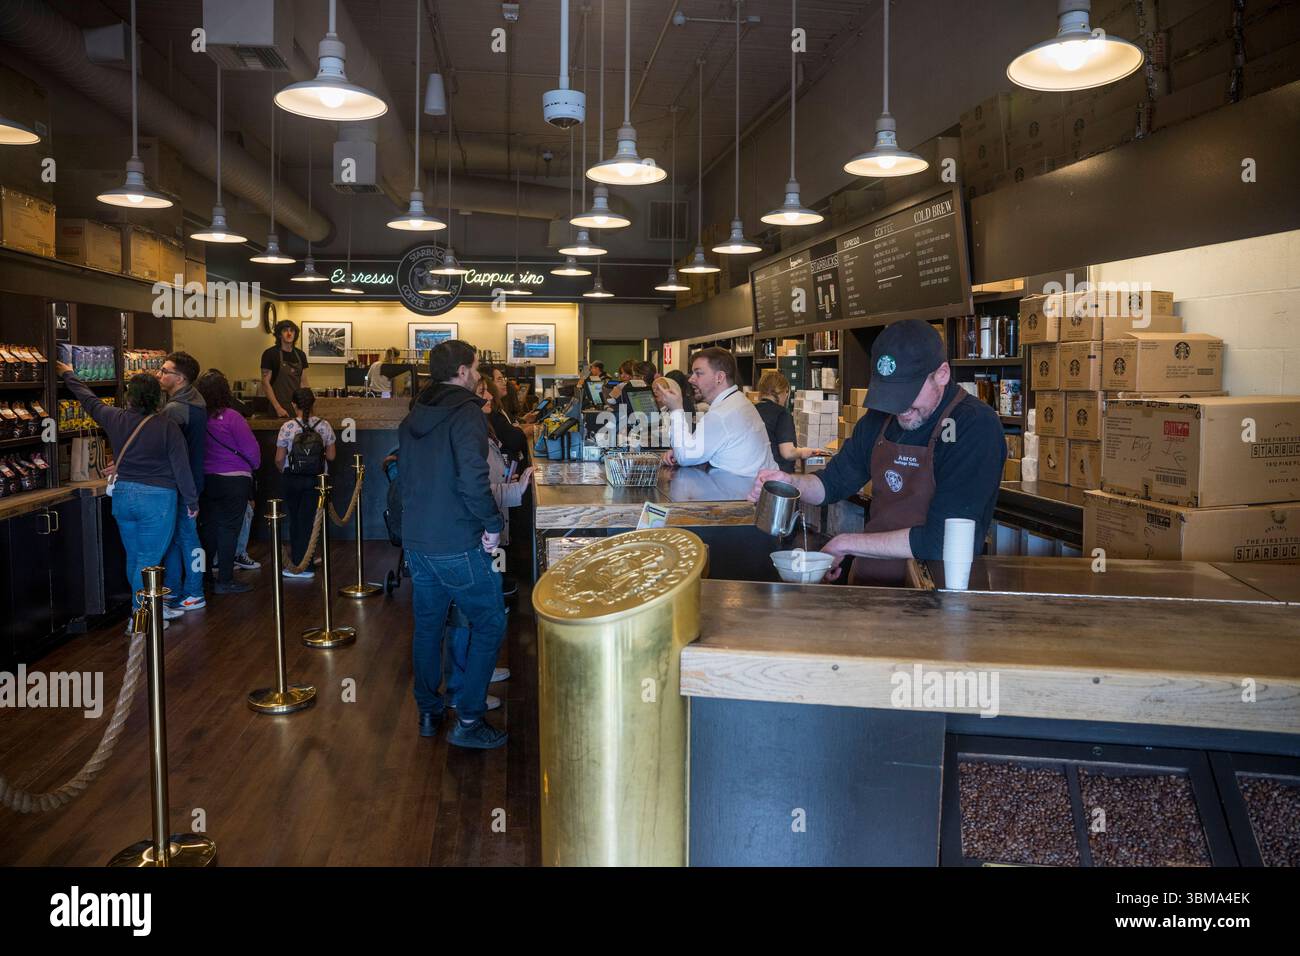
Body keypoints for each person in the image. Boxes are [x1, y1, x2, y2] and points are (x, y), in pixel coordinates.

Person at [748, 319, 1006, 586]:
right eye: (890, 395)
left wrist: (845, 543)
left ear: (941, 374)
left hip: (936, 592)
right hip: (871, 584)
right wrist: (792, 483)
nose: (898, 408)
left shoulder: (974, 426)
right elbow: (832, 483)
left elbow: (941, 538)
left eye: (906, 395)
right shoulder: (880, 419)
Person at [400, 339, 508, 750]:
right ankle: (468, 717)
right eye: (476, 367)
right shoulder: (466, 414)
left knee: (428, 627)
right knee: (490, 621)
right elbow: (472, 479)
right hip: (458, 539)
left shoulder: (414, 414)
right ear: (462, 371)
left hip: (418, 540)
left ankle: (429, 711)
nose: (479, 374)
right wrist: (491, 523)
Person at [57, 362, 196, 631]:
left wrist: (68, 374)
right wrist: (192, 501)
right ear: (158, 397)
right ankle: (141, 616)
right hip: (157, 499)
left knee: (134, 557)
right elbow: (182, 468)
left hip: (123, 496)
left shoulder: (114, 418)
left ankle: (149, 609)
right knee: (149, 560)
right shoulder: (168, 427)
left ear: (130, 396)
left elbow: (87, 399)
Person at [443, 377, 535, 713]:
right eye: (481, 392)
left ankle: (480, 669)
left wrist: (515, 483)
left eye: (487, 392)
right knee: (472, 611)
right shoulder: (470, 434)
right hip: (481, 533)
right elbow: (475, 491)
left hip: (493, 531)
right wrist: (515, 491)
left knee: (490, 605)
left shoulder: (482, 429)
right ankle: (464, 688)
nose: (487, 397)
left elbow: (490, 483)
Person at [654, 347, 775, 477]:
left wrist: (676, 409)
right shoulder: (737, 401)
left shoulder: (722, 414)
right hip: (751, 487)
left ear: (719, 377)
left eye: (698, 373)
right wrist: (682, 450)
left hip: (741, 492)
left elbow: (685, 456)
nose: (691, 379)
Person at [195, 369, 260, 595]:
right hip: (234, 481)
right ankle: (225, 578)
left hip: (206, 480)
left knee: (208, 529)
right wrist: (253, 467)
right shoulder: (232, 417)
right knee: (229, 529)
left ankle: (204, 578)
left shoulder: (197, 416)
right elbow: (252, 451)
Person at [160, 351, 208, 613]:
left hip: (181, 482)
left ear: (179, 378)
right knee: (181, 537)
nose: (160, 374)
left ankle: (193, 591)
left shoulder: (175, 410)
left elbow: (165, 449)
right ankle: (176, 590)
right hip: (192, 479)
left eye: (165, 370)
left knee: (186, 537)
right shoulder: (197, 402)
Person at [274, 387, 337, 579]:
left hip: (292, 479)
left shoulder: (287, 427)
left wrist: (285, 470)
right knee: (311, 520)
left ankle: (301, 566)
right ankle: (307, 560)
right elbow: (332, 456)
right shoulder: (324, 425)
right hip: (317, 480)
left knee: (295, 520)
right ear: (313, 404)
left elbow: (279, 458)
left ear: (293, 405)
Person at [754, 369, 824, 474]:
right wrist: (804, 452)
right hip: (775, 476)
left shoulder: (751, 410)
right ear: (784, 392)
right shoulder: (782, 414)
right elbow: (788, 453)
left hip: (754, 473)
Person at [480, 363, 531, 466]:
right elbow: (513, 438)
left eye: (503, 379)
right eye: (499, 379)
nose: (504, 383)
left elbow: (512, 426)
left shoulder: (500, 406)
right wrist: (531, 429)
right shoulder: (491, 412)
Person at [261, 319, 309, 418]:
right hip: (278, 408)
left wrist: (306, 406)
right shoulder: (270, 354)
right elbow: (265, 383)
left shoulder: (301, 355)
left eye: (292, 330)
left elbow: (304, 383)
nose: (289, 333)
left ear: (295, 334)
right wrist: (278, 408)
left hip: (297, 408)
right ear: (279, 334)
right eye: (285, 330)